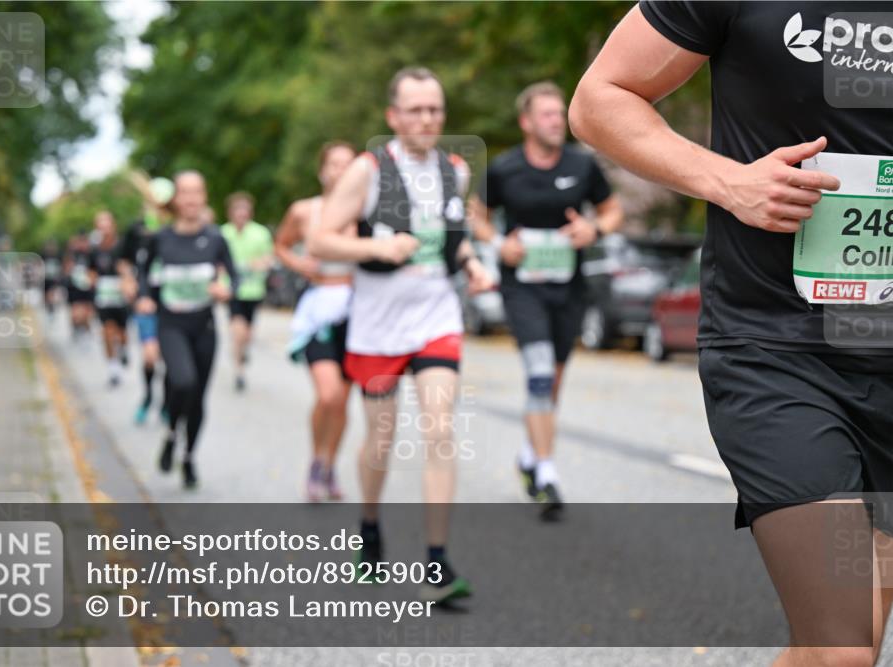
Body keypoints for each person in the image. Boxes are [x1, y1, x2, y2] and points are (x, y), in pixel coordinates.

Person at [569, 2, 893, 665]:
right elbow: (600, 99)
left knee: (844, 635)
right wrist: (731, 181)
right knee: (844, 646)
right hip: (777, 349)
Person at [310, 67, 494, 605]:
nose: (427, 119)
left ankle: (437, 561)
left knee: (439, 429)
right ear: (393, 116)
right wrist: (373, 249)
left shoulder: (453, 170)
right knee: (382, 441)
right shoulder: (368, 171)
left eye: (435, 109)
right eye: (415, 110)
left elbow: (453, 240)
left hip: (436, 317)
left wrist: (473, 265)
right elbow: (321, 241)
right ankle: (369, 527)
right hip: (377, 325)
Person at [469, 81, 623, 519]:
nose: (558, 121)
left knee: (552, 378)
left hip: (568, 287)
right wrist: (499, 244)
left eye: (560, 113)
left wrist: (595, 229)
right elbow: (474, 216)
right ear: (527, 122)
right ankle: (547, 472)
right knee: (538, 371)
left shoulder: (581, 165)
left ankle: (529, 454)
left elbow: (613, 211)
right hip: (522, 287)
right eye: (549, 114)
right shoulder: (504, 169)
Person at [137, 170, 237, 489]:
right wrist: (143, 300)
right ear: (176, 199)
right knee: (182, 380)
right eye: (185, 192)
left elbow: (233, 276)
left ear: (204, 197)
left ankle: (188, 456)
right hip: (171, 325)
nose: (192, 198)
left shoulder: (216, 238)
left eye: (197, 191)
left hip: (204, 326)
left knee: (198, 399)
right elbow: (144, 275)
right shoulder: (161, 239)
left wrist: (227, 288)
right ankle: (170, 433)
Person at [275, 140, 357, 502]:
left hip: (359, 311)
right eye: (334, 164)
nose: (340, 171)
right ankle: (315, 458)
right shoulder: (305, 211)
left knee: (343, 402)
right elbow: (281, 245)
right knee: (328, 394)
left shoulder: (367, 212)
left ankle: (329, 464)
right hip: (320, 308)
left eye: (348, 164)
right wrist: (300, 265)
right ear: (322, 170)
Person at [121, 173, 175, 424]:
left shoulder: (175, 229)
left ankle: (165, 402)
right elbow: (124, 260)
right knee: (150, 355)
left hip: (172, 301)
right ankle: (147, 397)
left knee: (167, 356)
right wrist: (128, 281)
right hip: (146, 301)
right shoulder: (137, 229)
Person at [221, 192, 274, 392]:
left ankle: (242, 351)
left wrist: (257, 264)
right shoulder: (223, 233)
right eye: (237, 210)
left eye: (245, 211)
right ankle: (239, 371)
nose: (241, 215)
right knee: (238, 331)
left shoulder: (260, 233)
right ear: (231, 213)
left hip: (254, 290)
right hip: (233, 291)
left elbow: (269, 259)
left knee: (248, 333)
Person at [89, 211, 129, 387]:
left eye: (106, 224)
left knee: (121, 335)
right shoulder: (95, 250)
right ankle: (113, 370)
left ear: (113, 226)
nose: (104, 229)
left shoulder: (122, 247)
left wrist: (126, 276)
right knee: (107, 332)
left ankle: (123, 349)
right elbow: (91, 271)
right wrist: (92, 279)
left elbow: (130, 267)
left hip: (121, 298)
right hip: (103, 298)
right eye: (100, 225)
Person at [64, 230, 95, 341]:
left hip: (87, 288)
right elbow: (67, 269)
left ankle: (86, 331)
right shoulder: (72, 254)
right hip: (74, 288)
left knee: (87, 313)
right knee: (76, 313)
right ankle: (76, 329)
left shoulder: (91, 254)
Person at [40, 238, 63, 320]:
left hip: (54, 279)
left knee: (52, 294)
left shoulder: (58, 256)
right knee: (46, 294)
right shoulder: (43, 255)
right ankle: (48, 308)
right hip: (46, 279)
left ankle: (52, 308)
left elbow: (61, 267)